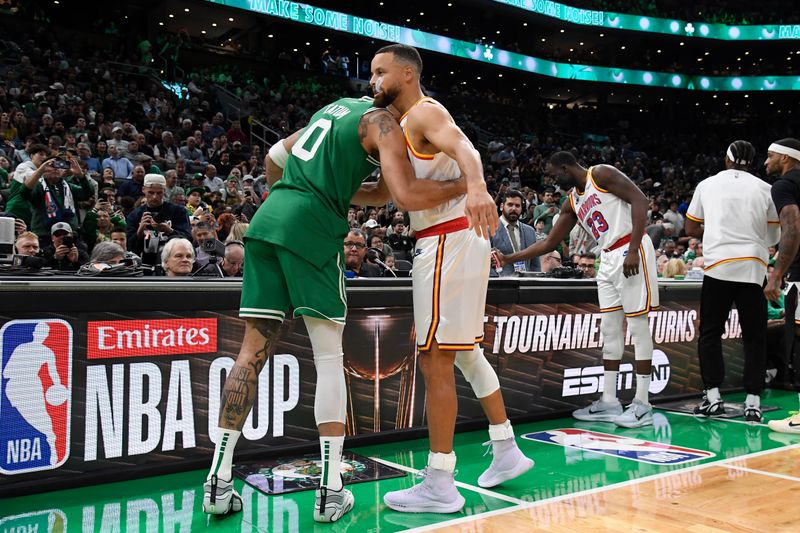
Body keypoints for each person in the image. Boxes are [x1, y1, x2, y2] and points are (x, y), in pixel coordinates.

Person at [202, 91, 468, 522]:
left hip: (269, 219)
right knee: (328, 357)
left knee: (250, 352)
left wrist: (306, 194)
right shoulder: (383, 123)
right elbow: (396, 193)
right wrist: (462, 183)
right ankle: (330, 489)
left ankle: (217, 481)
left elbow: (274, 156)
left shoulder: (333, 110)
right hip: (313, 228)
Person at [370, 44, 532, 515]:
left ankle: (440, 481)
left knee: (435, 358)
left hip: (446, 241)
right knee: (464, 352)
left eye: (380, 72)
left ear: (406, 73)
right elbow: (390, 193)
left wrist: (478, 186)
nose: (373, 81)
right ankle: (506, 449)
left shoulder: (425, 111)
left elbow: (466, 147)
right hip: (454, 241)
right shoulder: (398, 127)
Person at [496, 151, 658, 428]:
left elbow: (639, 199)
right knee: (609, 329)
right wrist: (509, 258)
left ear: (565, 167)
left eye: (553, 174)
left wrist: (633, 248)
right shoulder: (572, 201)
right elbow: (548, 243)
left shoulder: (601, 174)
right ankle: (609, 401)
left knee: (638, 327)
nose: (552, 180)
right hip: (607, 257)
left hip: (631, 249)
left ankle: (643, 404)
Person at [685, 140, 778, 423]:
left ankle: (713, 396)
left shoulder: (707, 184)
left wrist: (716, 228)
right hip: (752, 267)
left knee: (711, 332)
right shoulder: (766, 189)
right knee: (754, 336)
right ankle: (753, 401)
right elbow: (773, 236)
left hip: (718, 266)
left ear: (727, 159)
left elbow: (690, 227)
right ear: (753, 162)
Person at [765, 137, 800, 433]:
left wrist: (776, 274)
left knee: (799, 340)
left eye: (770, 156)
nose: (766, 162)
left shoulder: (785, 185)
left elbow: (791, 227)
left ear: (785, 159)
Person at [490, 189, 539, 276]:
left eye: (517, 206)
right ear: (501, 206)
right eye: (510, 205)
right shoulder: (489, 230)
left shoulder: (530, 231)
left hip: (526, 283)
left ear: (521, 208)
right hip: (500, 284)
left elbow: (535, 264)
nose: (514, 208)